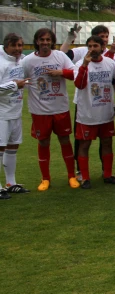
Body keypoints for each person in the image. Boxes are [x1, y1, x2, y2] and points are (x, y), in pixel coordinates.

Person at [23, 28, 78, 191]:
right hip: (39, 111)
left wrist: (61, 72)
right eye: (42, 40)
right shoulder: (28, 60)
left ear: (52, 41)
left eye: (48, 40)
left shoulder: (60, 56)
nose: (45, 43)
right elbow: (21, 79)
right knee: (43, 142)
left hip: (60, 108)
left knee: (65, 140)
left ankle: (71, 176)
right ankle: (45, 178)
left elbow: (76, 73)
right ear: (37, 41)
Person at [73, 35, 115, 189]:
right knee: (84, 145)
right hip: (87, 114)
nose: (92, 49)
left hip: (106, 112)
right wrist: (84, 66)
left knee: (107, 143)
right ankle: (85, 178)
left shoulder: (110, 63)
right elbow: (79, 85)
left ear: (102, 47)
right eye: (90, 46)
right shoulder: (80, 64)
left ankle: (107, 175)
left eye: (95, 46)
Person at [0, 33, 28, 197]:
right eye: (15, 46)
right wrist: (14, 85)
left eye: (20, 45)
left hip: (16, 112)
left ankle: (11, 183)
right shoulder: (1, 63)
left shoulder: (20, 60)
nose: (18, 49)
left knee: (13, 147)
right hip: (2, 113)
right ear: (6, 46)